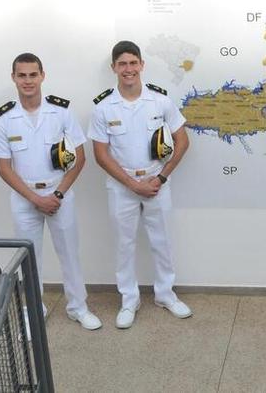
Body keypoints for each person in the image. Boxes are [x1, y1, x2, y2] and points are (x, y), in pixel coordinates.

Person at [0, 52, 102, 331]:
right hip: (24, 198)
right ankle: (33, 311)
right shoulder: (4, 119)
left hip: (59, 195)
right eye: (22, 75)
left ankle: (78, 307)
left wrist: (58, 195)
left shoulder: (61, 112)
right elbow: (4, 168)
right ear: (13, 78)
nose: (28, 80)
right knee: (29, 259)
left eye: (33, 74)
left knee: (69, 253)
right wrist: (35, 199)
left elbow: (80, 157)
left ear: (43, 75)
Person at [89, 40, 191, 329]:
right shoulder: (103, 107)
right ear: (114, 68)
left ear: (142, 65)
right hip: (122, 187)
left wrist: (159, 178)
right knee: (124, 244)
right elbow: (100, 154)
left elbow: (182, 140)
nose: (128, 69)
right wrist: (132, 184)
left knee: (163, 241)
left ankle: (165, 295)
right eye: (122, 64)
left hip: (157, 182)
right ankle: (128, 300)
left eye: (133, 63)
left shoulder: (160, 101)